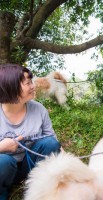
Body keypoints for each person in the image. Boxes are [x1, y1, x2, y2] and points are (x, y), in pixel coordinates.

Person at [0, 64, 61, 200]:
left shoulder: (39, 109)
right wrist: (2, 147)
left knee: (50, 143)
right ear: (10, 86)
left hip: (30, 165)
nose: (33, 86)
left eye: (31, 82)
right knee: (3, 161)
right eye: (28, 83)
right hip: (4, 168)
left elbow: (52, 140)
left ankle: (38, 187)